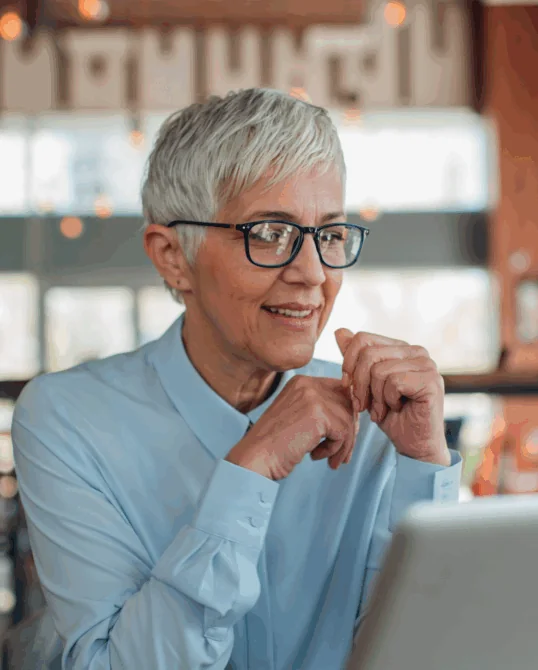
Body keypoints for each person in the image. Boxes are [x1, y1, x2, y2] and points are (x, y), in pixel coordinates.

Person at [11, 88, 462, 669]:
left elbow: (422, 652)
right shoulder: (66, 420)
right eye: (269, 234)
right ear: (174, 256)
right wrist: (253, 465)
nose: (313, 274)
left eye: (328, 235)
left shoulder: (376, 417)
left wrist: (424, 463)